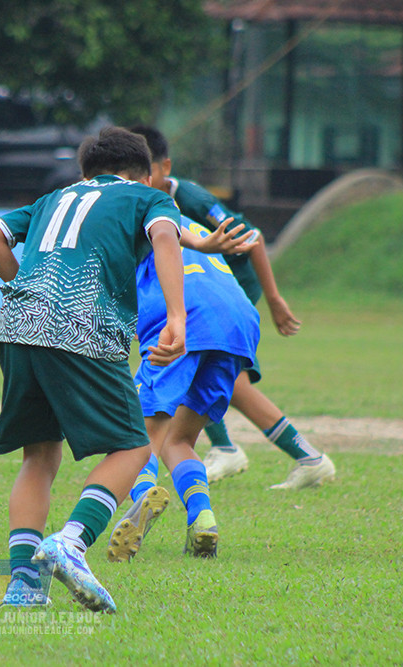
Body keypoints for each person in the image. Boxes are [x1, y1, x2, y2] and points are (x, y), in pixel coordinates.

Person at [0, 126, 256, 612]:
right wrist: (176, 316)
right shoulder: (146, 198)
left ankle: (24, 586)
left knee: (38, 458)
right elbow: (165, 233)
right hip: (83, 325)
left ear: (87, 172)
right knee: (132, 445)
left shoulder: (55, 198)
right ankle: (72, 542)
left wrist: (26, 287)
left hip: (18, 327)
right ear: (145, 175)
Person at [128, 125, 336, 490]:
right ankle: (236, 447)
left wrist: (273, 299)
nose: (136, 180)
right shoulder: (144, 203)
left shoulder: (188, 197)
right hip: (202, 289)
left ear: (164, 167)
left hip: (226, 286)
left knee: (221, 376)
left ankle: (303, 456)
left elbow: (252, 239)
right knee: (209, 373)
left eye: (144, 171)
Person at [107, 212, 261, 563]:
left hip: (184, 323)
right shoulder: (188, 221)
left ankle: (143, 497)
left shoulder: (131, 218)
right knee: (177, 440)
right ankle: (202, 520)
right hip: (238, 325)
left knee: (136, 434)